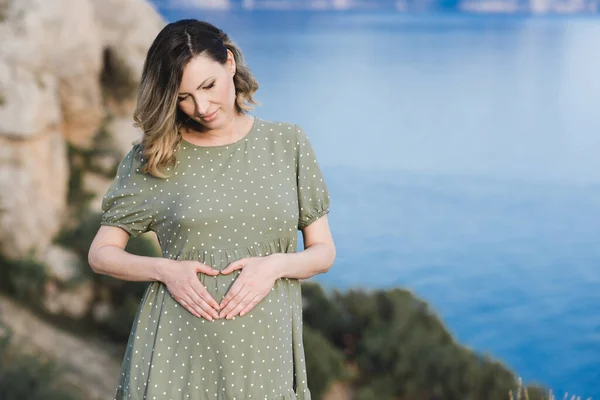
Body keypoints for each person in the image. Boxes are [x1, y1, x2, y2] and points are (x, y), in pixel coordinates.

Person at [87, 19, 335, 400]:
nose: (201, 107)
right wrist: (165, 270)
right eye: (183, 96)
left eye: (208, 86)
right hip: (174, 355)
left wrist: (274, 266)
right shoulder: (154, 156)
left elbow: (323, 252)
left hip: (264, 357)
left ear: (230, 64)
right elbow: (101, 255)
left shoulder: (288, 143)